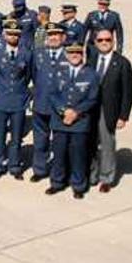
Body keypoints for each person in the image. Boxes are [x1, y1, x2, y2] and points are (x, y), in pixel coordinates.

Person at [47, 42, 99, 199]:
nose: (74, 55)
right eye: (71, 52)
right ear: (67, 54)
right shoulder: (58, 72)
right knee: (59, 152)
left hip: (80, 122)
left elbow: (93, 99)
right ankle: (57, 182)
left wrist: (76, 112)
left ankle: (78, 185)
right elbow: (52, 94)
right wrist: (64, 111)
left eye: (77, 52)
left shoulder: (91, 74)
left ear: (82, 54)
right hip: (60, 120)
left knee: (78, 154)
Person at [88, 29, 132, 192]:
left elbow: (128, 92)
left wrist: (123, 116)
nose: (104, 42)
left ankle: (106, 177)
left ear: (113, 41)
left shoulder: (122, 63)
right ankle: (92, 174)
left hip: (109, 110)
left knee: (107, 144)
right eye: (100, 40)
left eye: (107, 39)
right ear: (95, 42)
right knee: (90, 142)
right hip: (90, 109)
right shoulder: (92, 59)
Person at [0, 20, 33, 179]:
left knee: (16, 137)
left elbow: (27, 76)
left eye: (16, 34)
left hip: (18, 100)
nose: (13, 36)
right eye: (10, 33)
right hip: (0, 99)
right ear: (4, 34)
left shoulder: (26, 53)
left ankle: (14, 166)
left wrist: (21, 91)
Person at [30, 23, 69, 182]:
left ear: (63, 37)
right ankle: (39, 169)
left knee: (60, 143)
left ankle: (59, 174)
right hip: (41, 104)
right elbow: (33, 75)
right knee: (40, 141)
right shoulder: (38, 54)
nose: (53, 37)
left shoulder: (70, 55)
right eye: (50, 34)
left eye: (56, 34)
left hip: (60, 107)